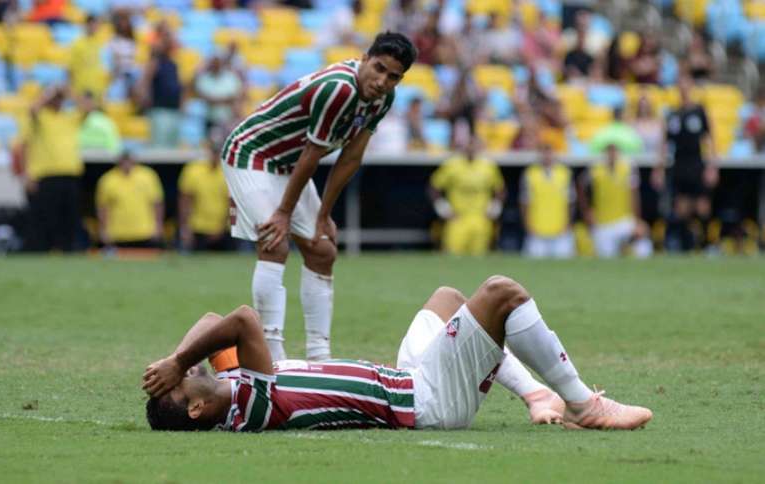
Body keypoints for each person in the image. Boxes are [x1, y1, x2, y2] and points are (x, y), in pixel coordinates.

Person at [142, 274, 653, 431]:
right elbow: (240, 319)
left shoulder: (230, 380)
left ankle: (538, 394)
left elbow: (211, 325)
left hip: (404, 378)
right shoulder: (245, 406)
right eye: (184, 382)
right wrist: (178, 362)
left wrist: (177, 360)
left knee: (449, 299)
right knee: (501, 293)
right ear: (195, 406)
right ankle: (585, 404)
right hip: (425, 402)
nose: (187, 371)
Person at [220, 32, 417, 363]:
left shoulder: (384, 99)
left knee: (322, 250)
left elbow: (351, 157)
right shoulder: (338, 88)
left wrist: (324, 215)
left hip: (287, 164)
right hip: (252, 153)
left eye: (393, 76)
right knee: (275, 240)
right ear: (365, 58)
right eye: (379, 68)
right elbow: (313, 154)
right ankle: (272, 353)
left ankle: (320, 356)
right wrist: (283, 213)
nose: (383, 81)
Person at [14, 86, 87, 252]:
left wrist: (69, 93)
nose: (58, 101)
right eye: (56, 98)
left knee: (69, 218)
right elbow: (32, 110)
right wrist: (49, 93)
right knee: (46, 218)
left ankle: (69, 251)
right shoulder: (39, 118)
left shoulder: (68, 118)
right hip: (46, 176)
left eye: (59, 99)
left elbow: (88, 108)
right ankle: (42, 250)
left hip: (70, 175)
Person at [652, 76, 718, 251]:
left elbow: (709, 139)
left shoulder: (699, 111)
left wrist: (712, 166)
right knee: (682, 208)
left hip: (697, 163)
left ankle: (707, 245)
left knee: (703, 207)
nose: (683, 88)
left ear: (691, 87)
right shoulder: (672, 114)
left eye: (686, 85)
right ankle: (686, 245)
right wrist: (658, 169)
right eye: (680, 85)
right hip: (680, 165)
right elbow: (664, 143)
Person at [429, 138, 505, 256]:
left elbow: (500, 189)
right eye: (469, 146)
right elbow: (434, 187)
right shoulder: (452, 165)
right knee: (452, 256)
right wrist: (442, 207)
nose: (471, 149)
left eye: (474, 146)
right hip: (457, 218)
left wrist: (495, 206)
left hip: (480, 218)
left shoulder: (488, 166)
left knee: (479, 257)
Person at [578, 143, 652, 258]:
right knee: (606, 257)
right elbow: (581, 186)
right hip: (602, 223)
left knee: (643, 242)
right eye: (609, 151)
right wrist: (587, 211)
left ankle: (632, 258)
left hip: (623, 220)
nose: (612, 154)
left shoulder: (627, 168)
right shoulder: (595, 169)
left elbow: (634, 195)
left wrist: (637, 220)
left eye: (614, 151)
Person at [95, 151, 164, 248]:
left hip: (145, 232)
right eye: (124, 160)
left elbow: (157, 203)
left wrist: (158, 226)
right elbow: (103, 208)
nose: (126, 164)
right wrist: (103, 230)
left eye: (129, 160)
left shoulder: (148, 176)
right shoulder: (108, 179)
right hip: (117, 234)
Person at [520, 142, 576, 258]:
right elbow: (524, 202)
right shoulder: (530, 173)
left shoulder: (565, 173)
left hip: (560, 228)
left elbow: (571, 201)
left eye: (549, 152)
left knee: (563, 265)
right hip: (537, 227)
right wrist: (527, 224)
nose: (547, 156)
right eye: (544, 152)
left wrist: (569, 223)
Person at [178, 136, 231, 251]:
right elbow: (186, 201)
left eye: (218, 151)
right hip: (198, 227)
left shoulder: (228, 172)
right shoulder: (193, 170)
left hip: (223, 229)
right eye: (213, 151)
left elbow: (231, 203)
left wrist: (221, 228)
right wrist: (185, 227)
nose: (215, 155)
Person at [68, 14, 107, 100]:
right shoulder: (77, 44)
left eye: (97, 25)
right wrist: (74, 90)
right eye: (93, 24)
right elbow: (71, 69)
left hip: (98, 87)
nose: (95, 27)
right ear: (86, 25)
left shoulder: (100, 43)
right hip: (82, 87)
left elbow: (102, 66)